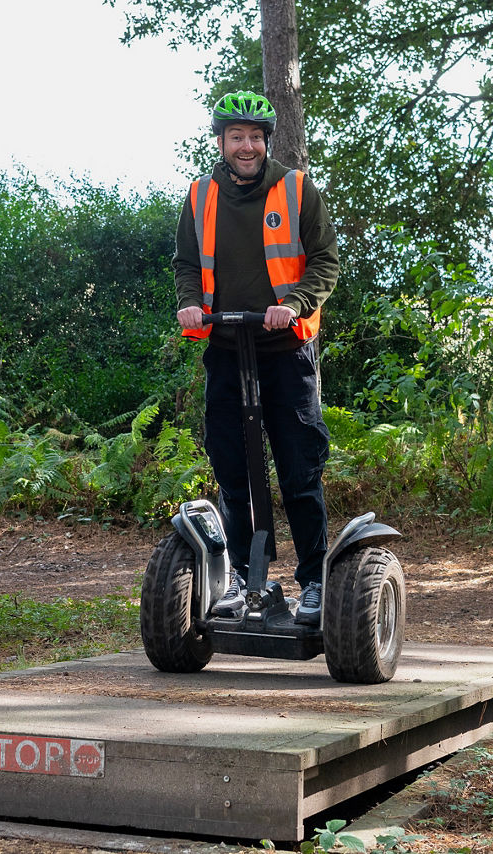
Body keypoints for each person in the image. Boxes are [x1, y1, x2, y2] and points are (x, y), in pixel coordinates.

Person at [173, 90, 339, 626]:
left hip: (286, 353)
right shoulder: (200, 195)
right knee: (233, 471)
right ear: (220, 142)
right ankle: (246, 579)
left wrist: (292, 305)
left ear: (267, 141)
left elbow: (324, 262)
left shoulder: (295, 189)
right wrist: (190, 304)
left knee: (298, 469)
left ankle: (314, 581)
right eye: (236, 136)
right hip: (225, 349)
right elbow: (185, 264)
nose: (246, 146)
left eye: (255, 137)